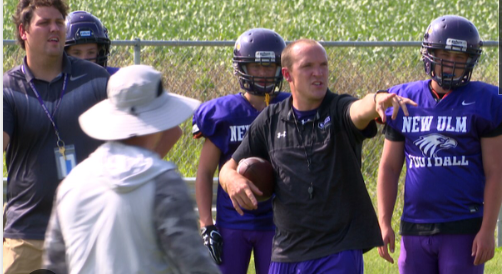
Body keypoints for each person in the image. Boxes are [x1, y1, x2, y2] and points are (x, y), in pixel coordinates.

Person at [218, 39, 416, 274]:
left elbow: (359, 109)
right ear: (287, 74)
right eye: (308, 66)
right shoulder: (271, 119)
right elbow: (226, 169)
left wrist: (375, 100)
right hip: (285, 253)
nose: (318, 73)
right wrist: (232, 180)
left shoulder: (339, 108)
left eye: (323, 65)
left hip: (336, 251)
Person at [42, 65, 221, 274]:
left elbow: (54, 266)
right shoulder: (161, 181)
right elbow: (194, 265)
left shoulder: (71, 185)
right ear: (158, 118)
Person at [376, 15, 502, 274]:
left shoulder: (485, 100)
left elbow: (496, 170)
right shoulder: (405, 99)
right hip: (414, 225)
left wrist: (488, 229)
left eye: (460, 58)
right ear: (429, 54)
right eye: (445, 55)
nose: (452, 65)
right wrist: (384, 221)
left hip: (463, 225)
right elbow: (389, 167)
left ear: (471, 61)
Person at [3, 0, 109, 273]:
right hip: (26, 234)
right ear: (23, 31)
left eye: (59, 22)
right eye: (44, 23)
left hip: (85, 233)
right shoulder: (7, 89)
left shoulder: (97, 79)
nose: (54, 29)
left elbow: (155, 131)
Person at [192, 28, 290, 274]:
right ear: (242, 68)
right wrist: (207, 225)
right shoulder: (225, 113)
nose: (264, 74)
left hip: (279, 223)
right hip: (232, 222)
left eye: (269, 67)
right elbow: (204, 172)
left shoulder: (291, 108)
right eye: (256, 66)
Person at [65, 10, 120, 75]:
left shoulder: (112, 77)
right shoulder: (56, 82)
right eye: (77, 53)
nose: (84, 59)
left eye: (91, 52)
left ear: (99, 52)